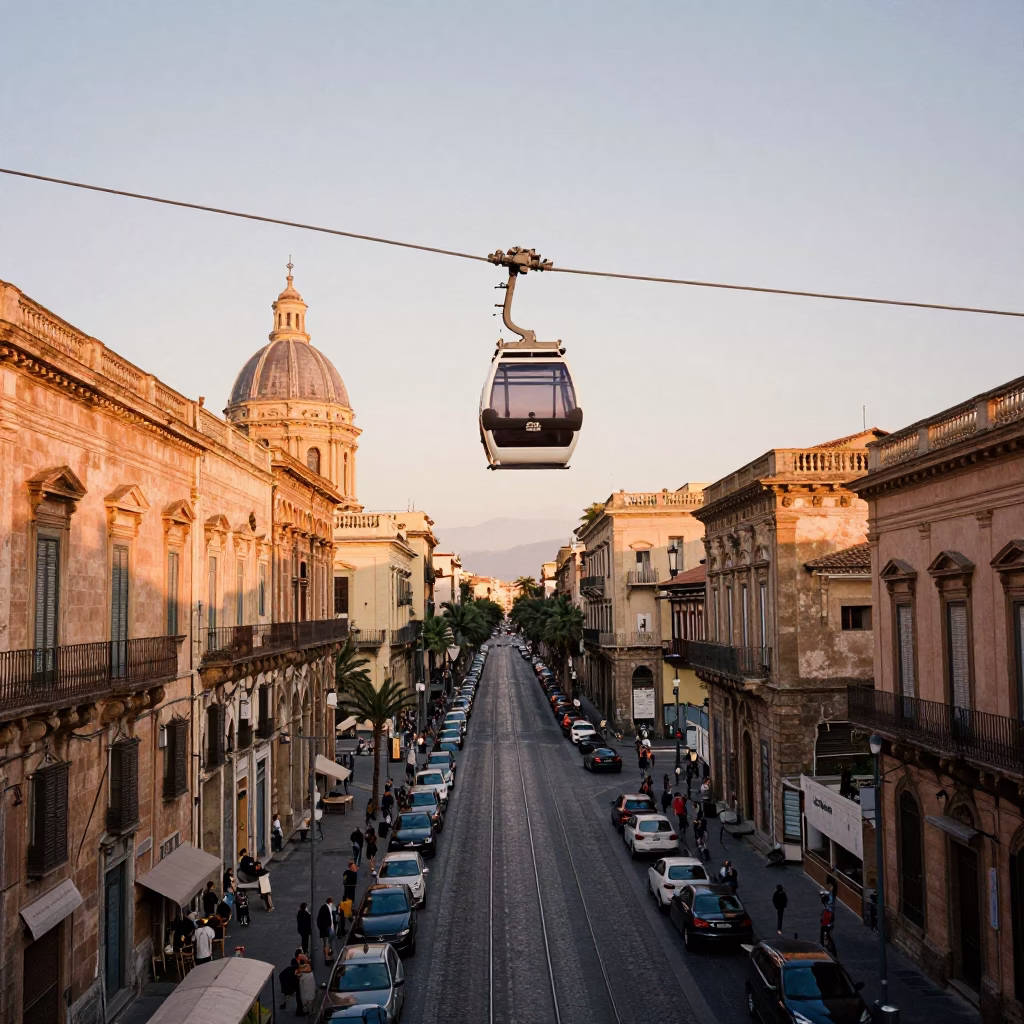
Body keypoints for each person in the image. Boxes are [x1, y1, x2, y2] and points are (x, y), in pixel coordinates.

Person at [317, 897, 335, 964]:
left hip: (326, 929)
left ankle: (328, 957)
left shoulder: (324, 908)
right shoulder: (326, 908)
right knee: (327, 943)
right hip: (326, 929)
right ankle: (327, 958)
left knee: (327, 943)